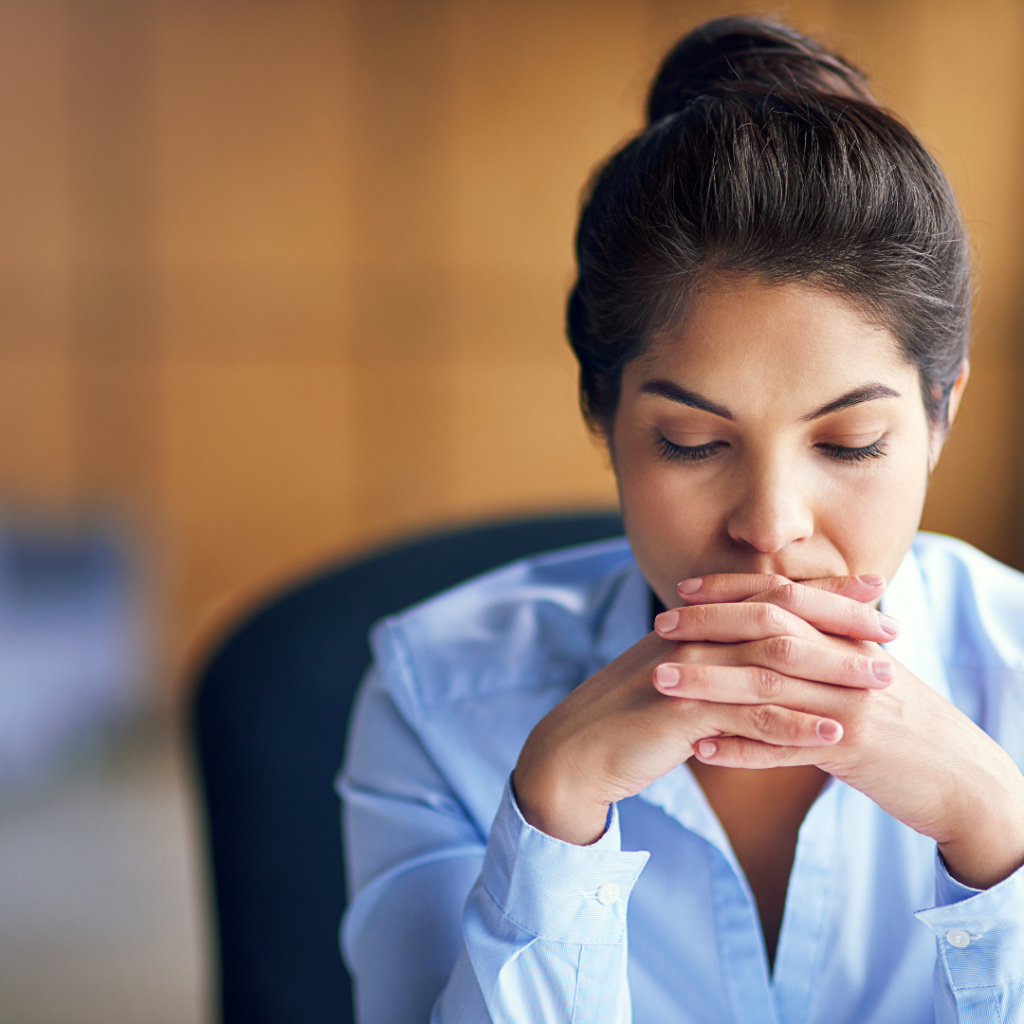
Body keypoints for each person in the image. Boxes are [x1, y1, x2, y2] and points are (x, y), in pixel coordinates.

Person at [337, 17, 1024, 1023]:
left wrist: (997, 839)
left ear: (938, 416)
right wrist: (553, 820)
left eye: (847, 445)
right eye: (693, 444)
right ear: (602, 416)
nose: (771, 527)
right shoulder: (435, 699)